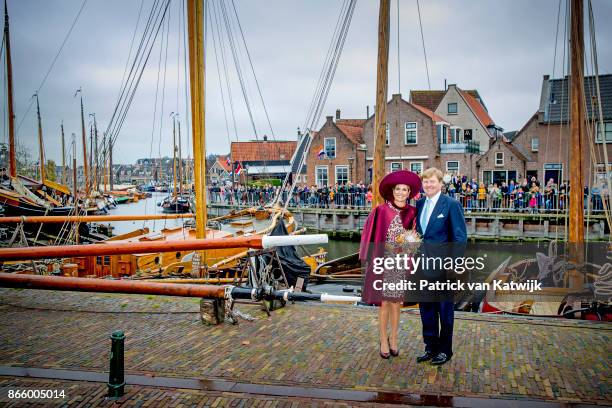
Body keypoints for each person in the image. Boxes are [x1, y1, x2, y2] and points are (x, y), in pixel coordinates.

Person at [359, 170, 421, 359]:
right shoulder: (380, 211)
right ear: (392, 191)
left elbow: (415, 238)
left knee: (396, 303)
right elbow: (369, 235)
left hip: (400, 262)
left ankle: (394, 338)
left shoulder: (412, 212)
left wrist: (409, 246)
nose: (401, 193)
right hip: (383, 260)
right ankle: (383, 340)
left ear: (409, 192)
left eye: (405, 189)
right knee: (384, 302)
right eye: (398, 189)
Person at [415, 167, 467, 366]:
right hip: (423, 266)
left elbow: (460, 238)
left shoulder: (451, 205)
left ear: (440, 184)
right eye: (425, 182)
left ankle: (445, 351)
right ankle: (430, 347)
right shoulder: (419, 204)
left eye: (432, 182)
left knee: (444, 311)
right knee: (426, 310)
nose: (428, 185)